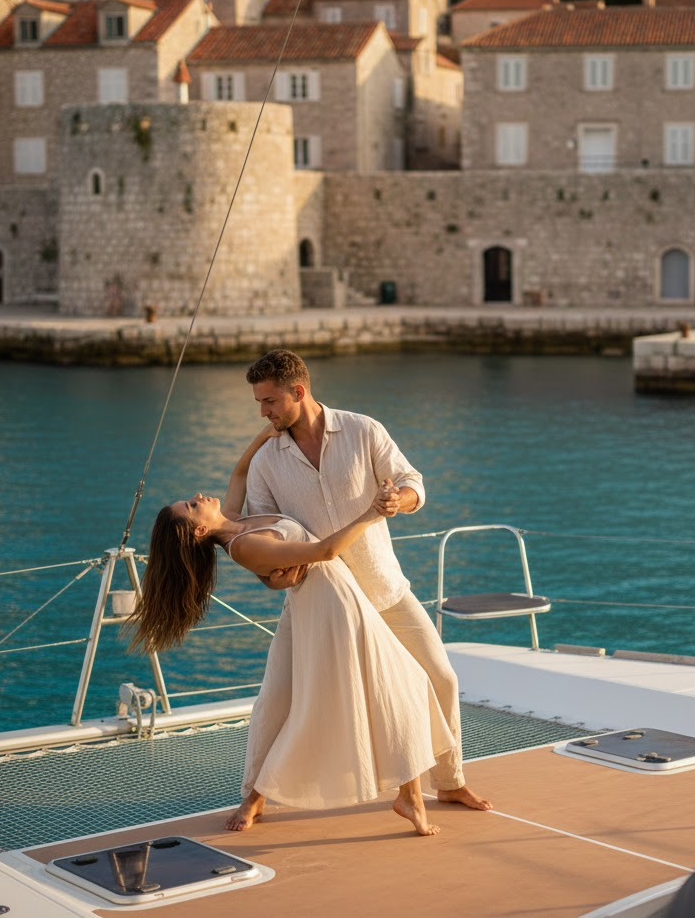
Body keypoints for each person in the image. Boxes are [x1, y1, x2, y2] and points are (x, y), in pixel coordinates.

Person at [128, 428, 454, 837]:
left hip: (333, 597)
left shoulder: (231, 519)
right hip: (334, 606)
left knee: (394, 686)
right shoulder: (244, 546)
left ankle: (407, 794)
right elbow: (324, 552)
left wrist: (267, 433)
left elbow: (240, 471)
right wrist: (373, 513)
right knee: (400, 686)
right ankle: (406, 795)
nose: (199, 496)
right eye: (193, 506)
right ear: (197, 532)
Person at [228, 348, 492, 832]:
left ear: (298, 392)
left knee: (441, 678)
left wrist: (399, 499)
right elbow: (259, 529)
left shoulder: (363, 430)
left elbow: (414, 482)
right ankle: (254, 796)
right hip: (314, 600)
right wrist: (271, 576)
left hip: (383, 587)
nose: (263, 412)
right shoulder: (268, 460)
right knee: (279, 698)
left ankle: (449, 782)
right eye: (260, 403)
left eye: (268, 401)